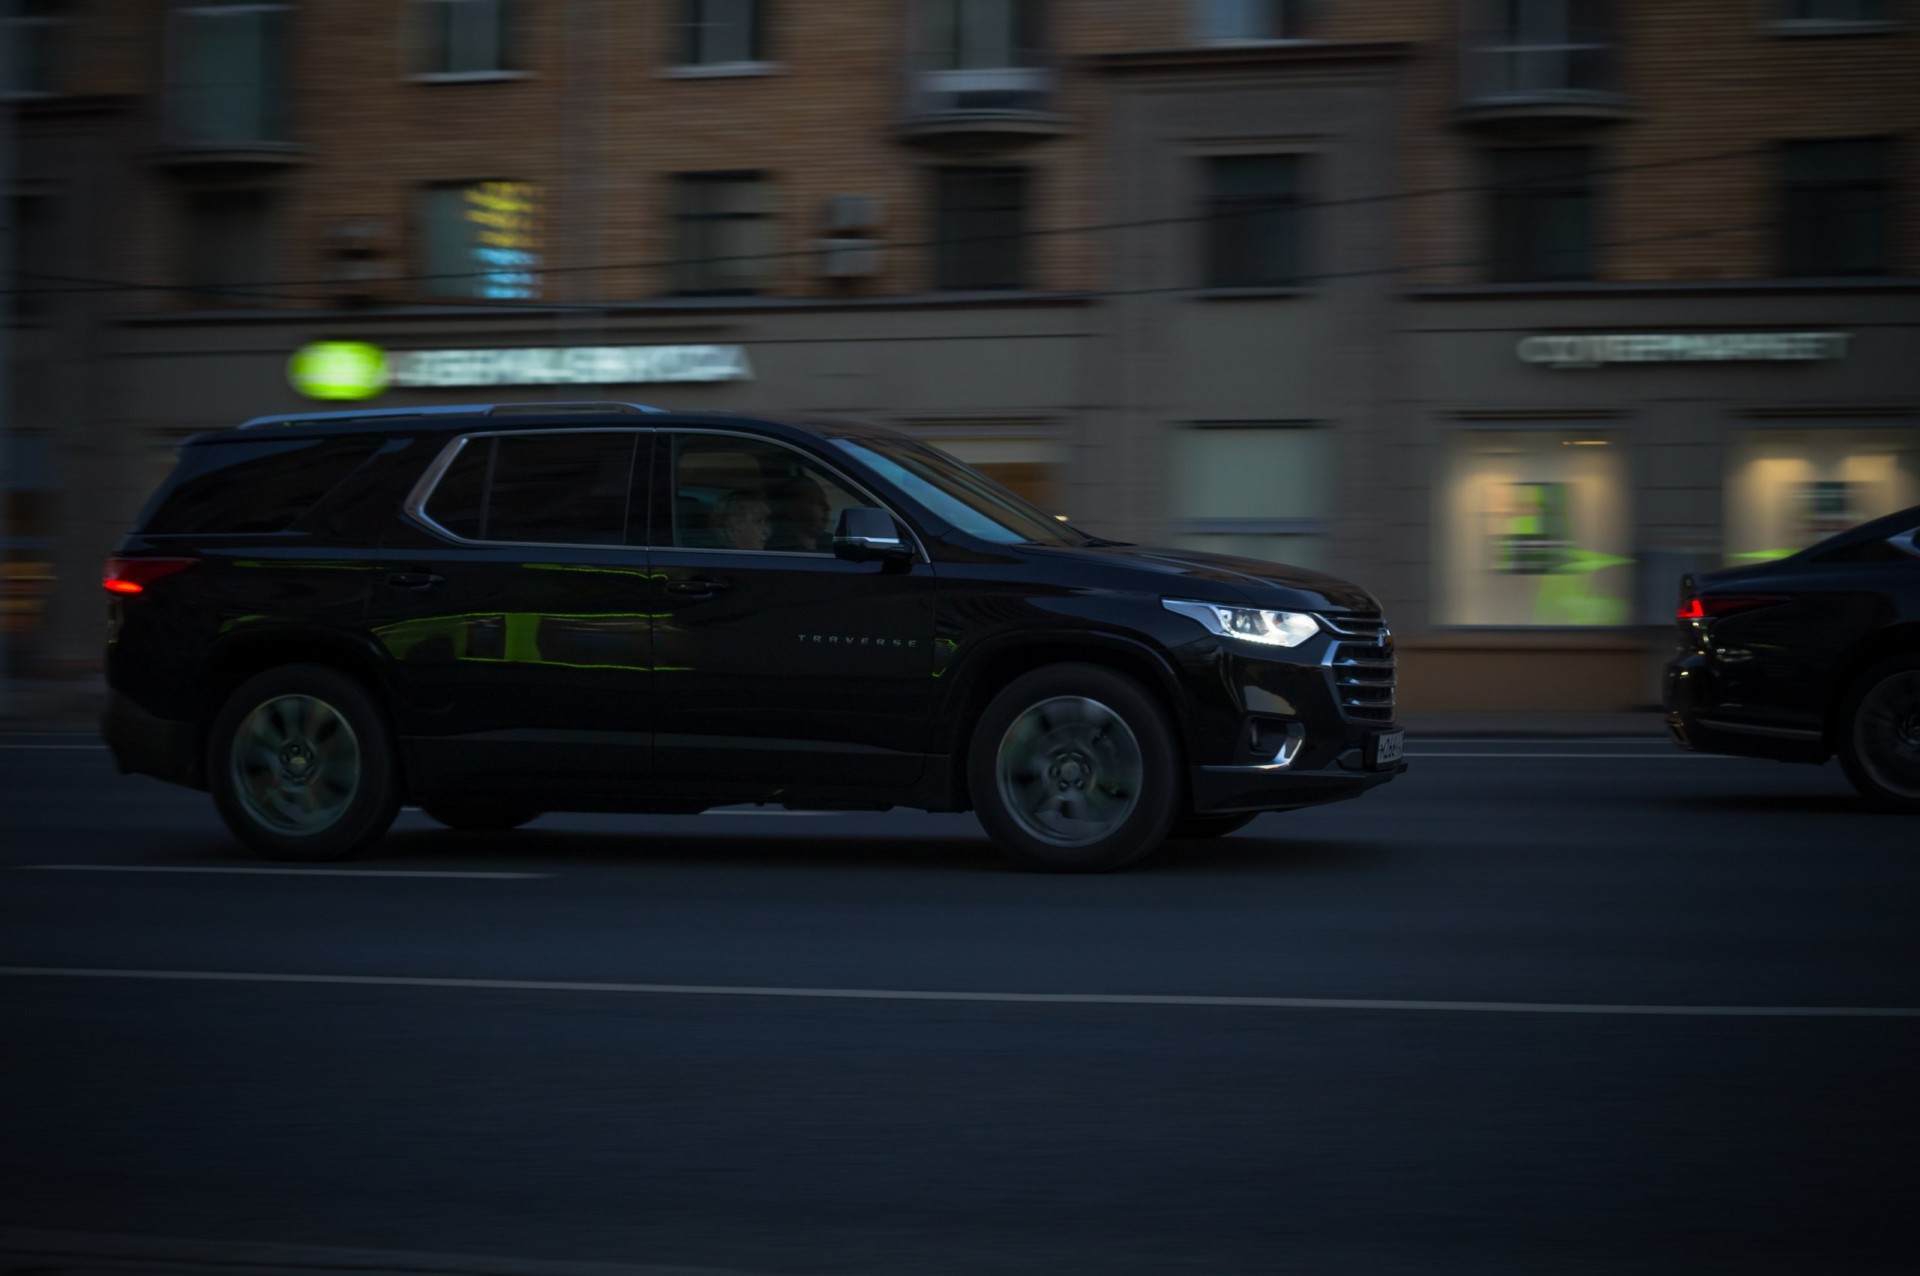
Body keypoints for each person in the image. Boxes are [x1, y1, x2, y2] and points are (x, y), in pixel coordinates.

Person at [767, 475, 833, 552]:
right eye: (815, 502)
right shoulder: (777, 551)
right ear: (791, 509)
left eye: (824, 500)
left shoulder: (835, 545)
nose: (828, 507)